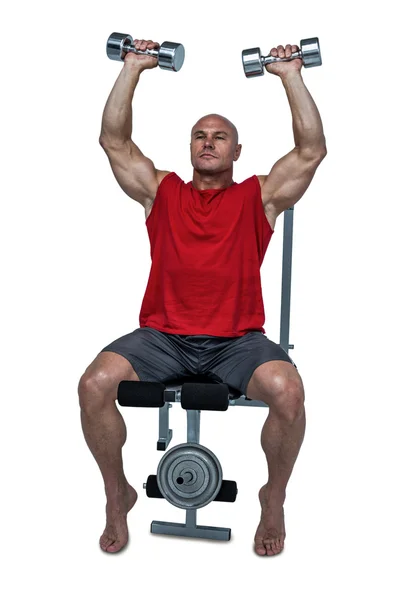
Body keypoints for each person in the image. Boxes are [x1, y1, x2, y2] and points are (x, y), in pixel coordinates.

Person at [78, 39, 327, 556]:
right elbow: (113, 141)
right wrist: (133, 67)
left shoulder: (257, 197)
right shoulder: (161, 192)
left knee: (288, 392)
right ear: (189, 148)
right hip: (161, 338)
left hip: (237, 342)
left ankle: (273, 498)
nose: (208, 143)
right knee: (93, 384)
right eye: (199, 136)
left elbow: (310, 151)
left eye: (220, 138)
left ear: (237, 151)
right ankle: (116, 494)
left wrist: (290, 74)